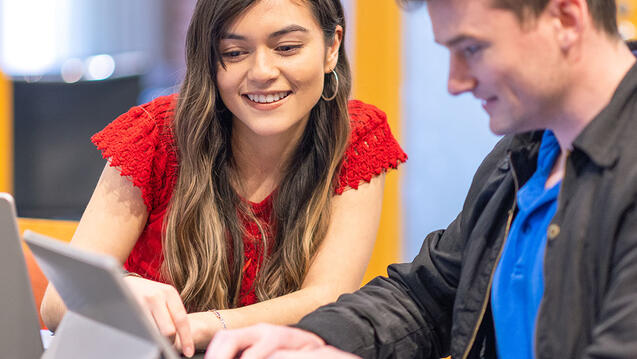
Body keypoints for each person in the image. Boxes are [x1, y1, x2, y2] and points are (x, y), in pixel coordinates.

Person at [203, 0, 637, 358]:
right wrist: (320, 338)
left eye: (472, 48)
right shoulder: (523, 154)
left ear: (565, 19)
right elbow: (425, 297)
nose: (455, 82)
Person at [39, 0, 407, 357]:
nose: (262, 71)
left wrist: (198, 328)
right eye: (234, 53)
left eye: (287, 47)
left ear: (331, 48)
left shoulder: (357, 136)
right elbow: (56, 302)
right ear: (210, 60)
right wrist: (123, 289)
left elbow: (326, 297)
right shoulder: (154, 134)